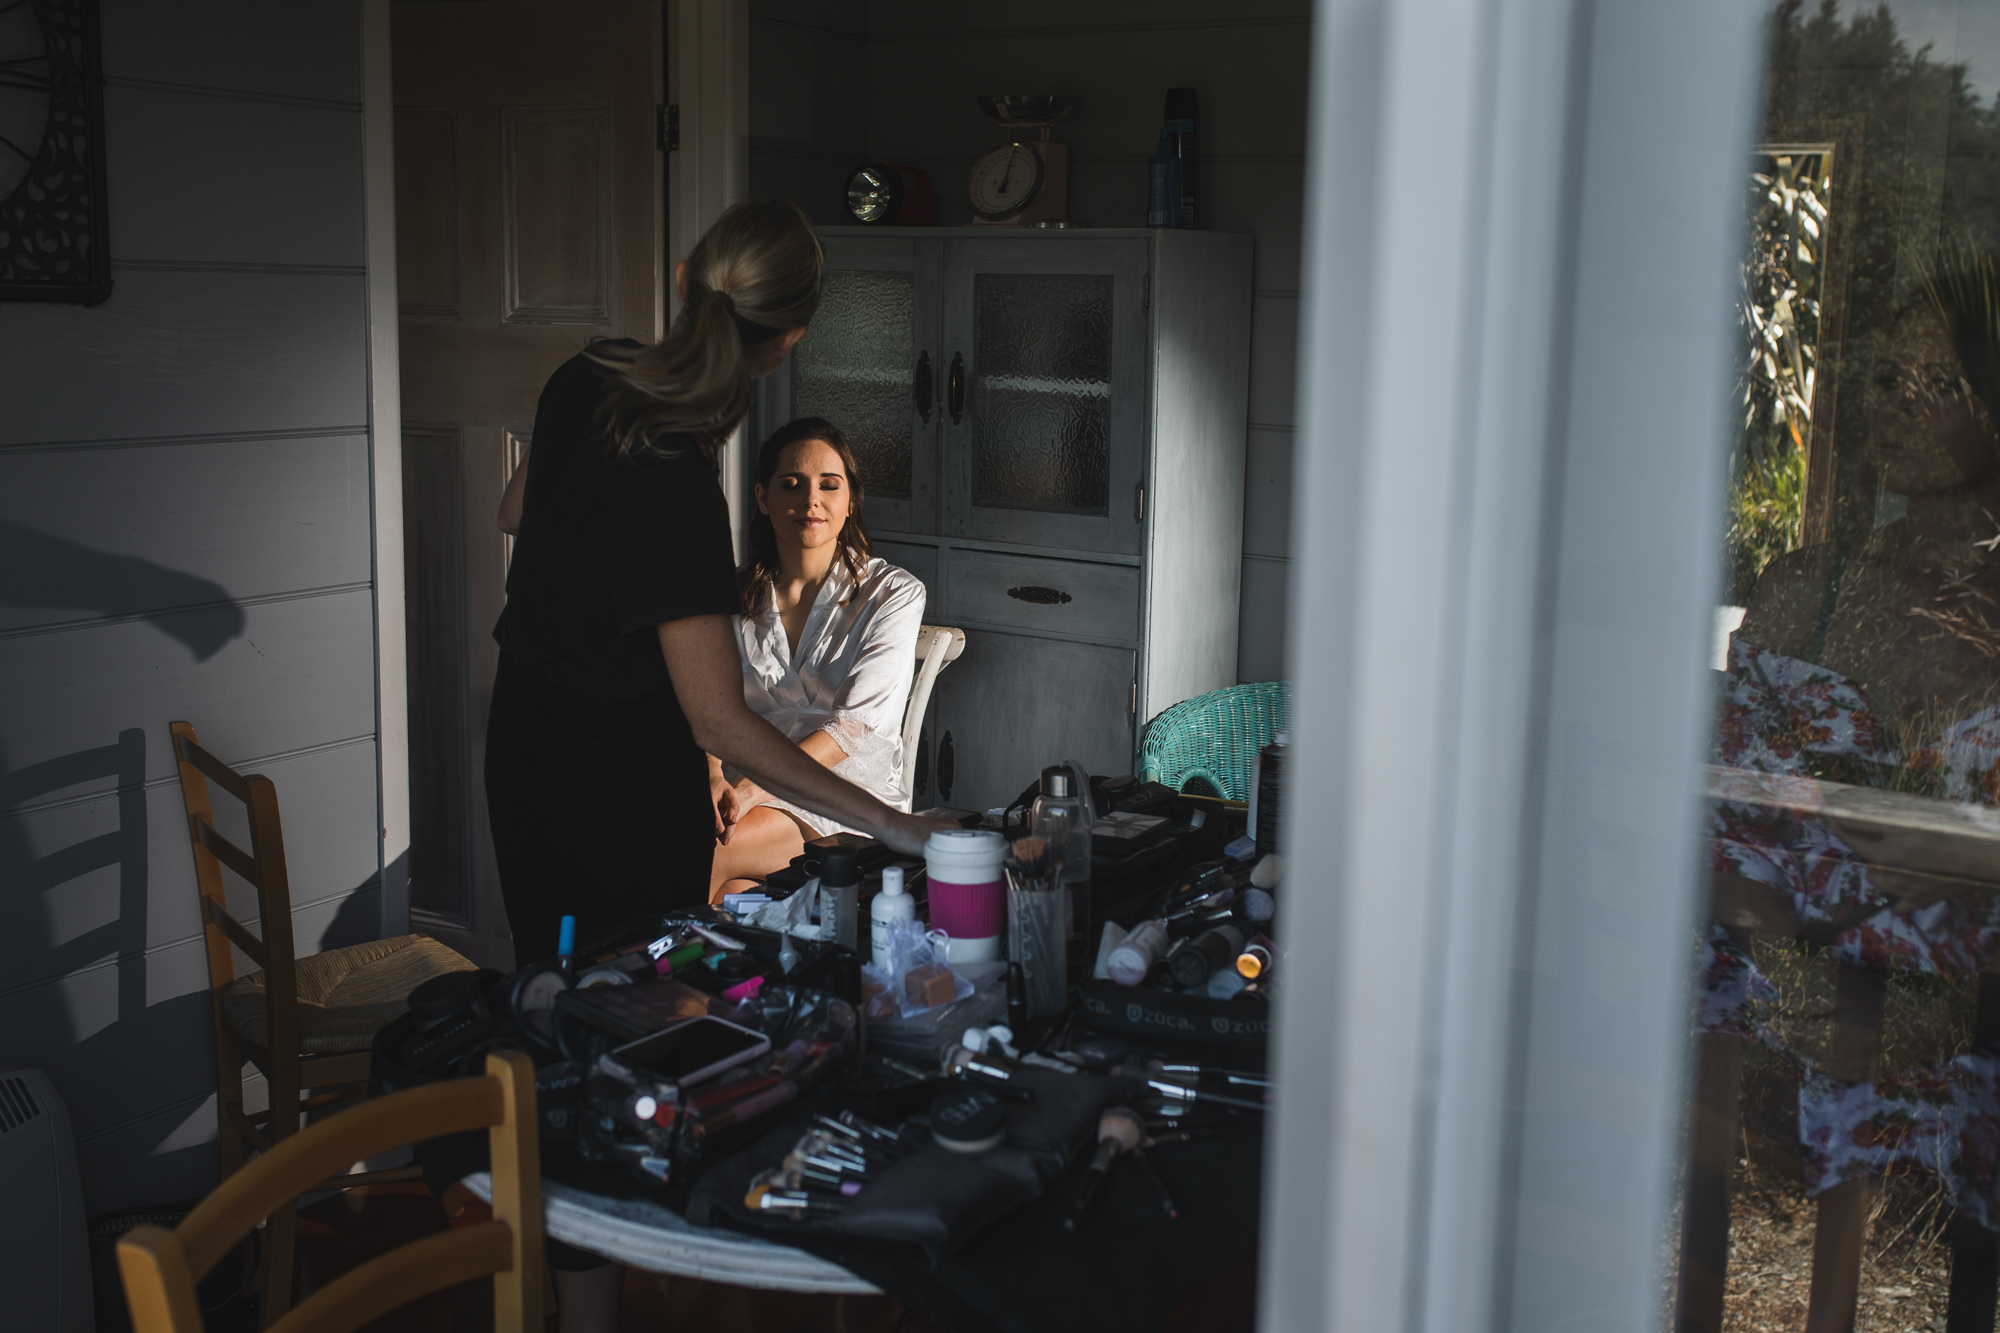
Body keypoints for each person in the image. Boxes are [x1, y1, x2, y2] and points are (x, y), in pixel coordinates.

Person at [486, 199, 952, 967]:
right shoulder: (681, 486)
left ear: (683, 282)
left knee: (553, 982)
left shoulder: (586, 372)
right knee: (632, 1007)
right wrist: (900, 827)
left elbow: (513, 511)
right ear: (789, 340)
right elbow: (716, 722)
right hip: (620, 790)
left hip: (525, 746)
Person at [708, 417, 928, 901]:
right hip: (741, 785)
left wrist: (750, 790)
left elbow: (854, 728)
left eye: (829, 485)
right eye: (792, 484)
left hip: (846, 796)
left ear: (850, 502)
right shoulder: (728, 597)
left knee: (706, 850)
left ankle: (622, 972)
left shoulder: (894, 593)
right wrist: (711, 778)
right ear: (763, 498)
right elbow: (701, 704)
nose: (811, 500)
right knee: (730, 892)